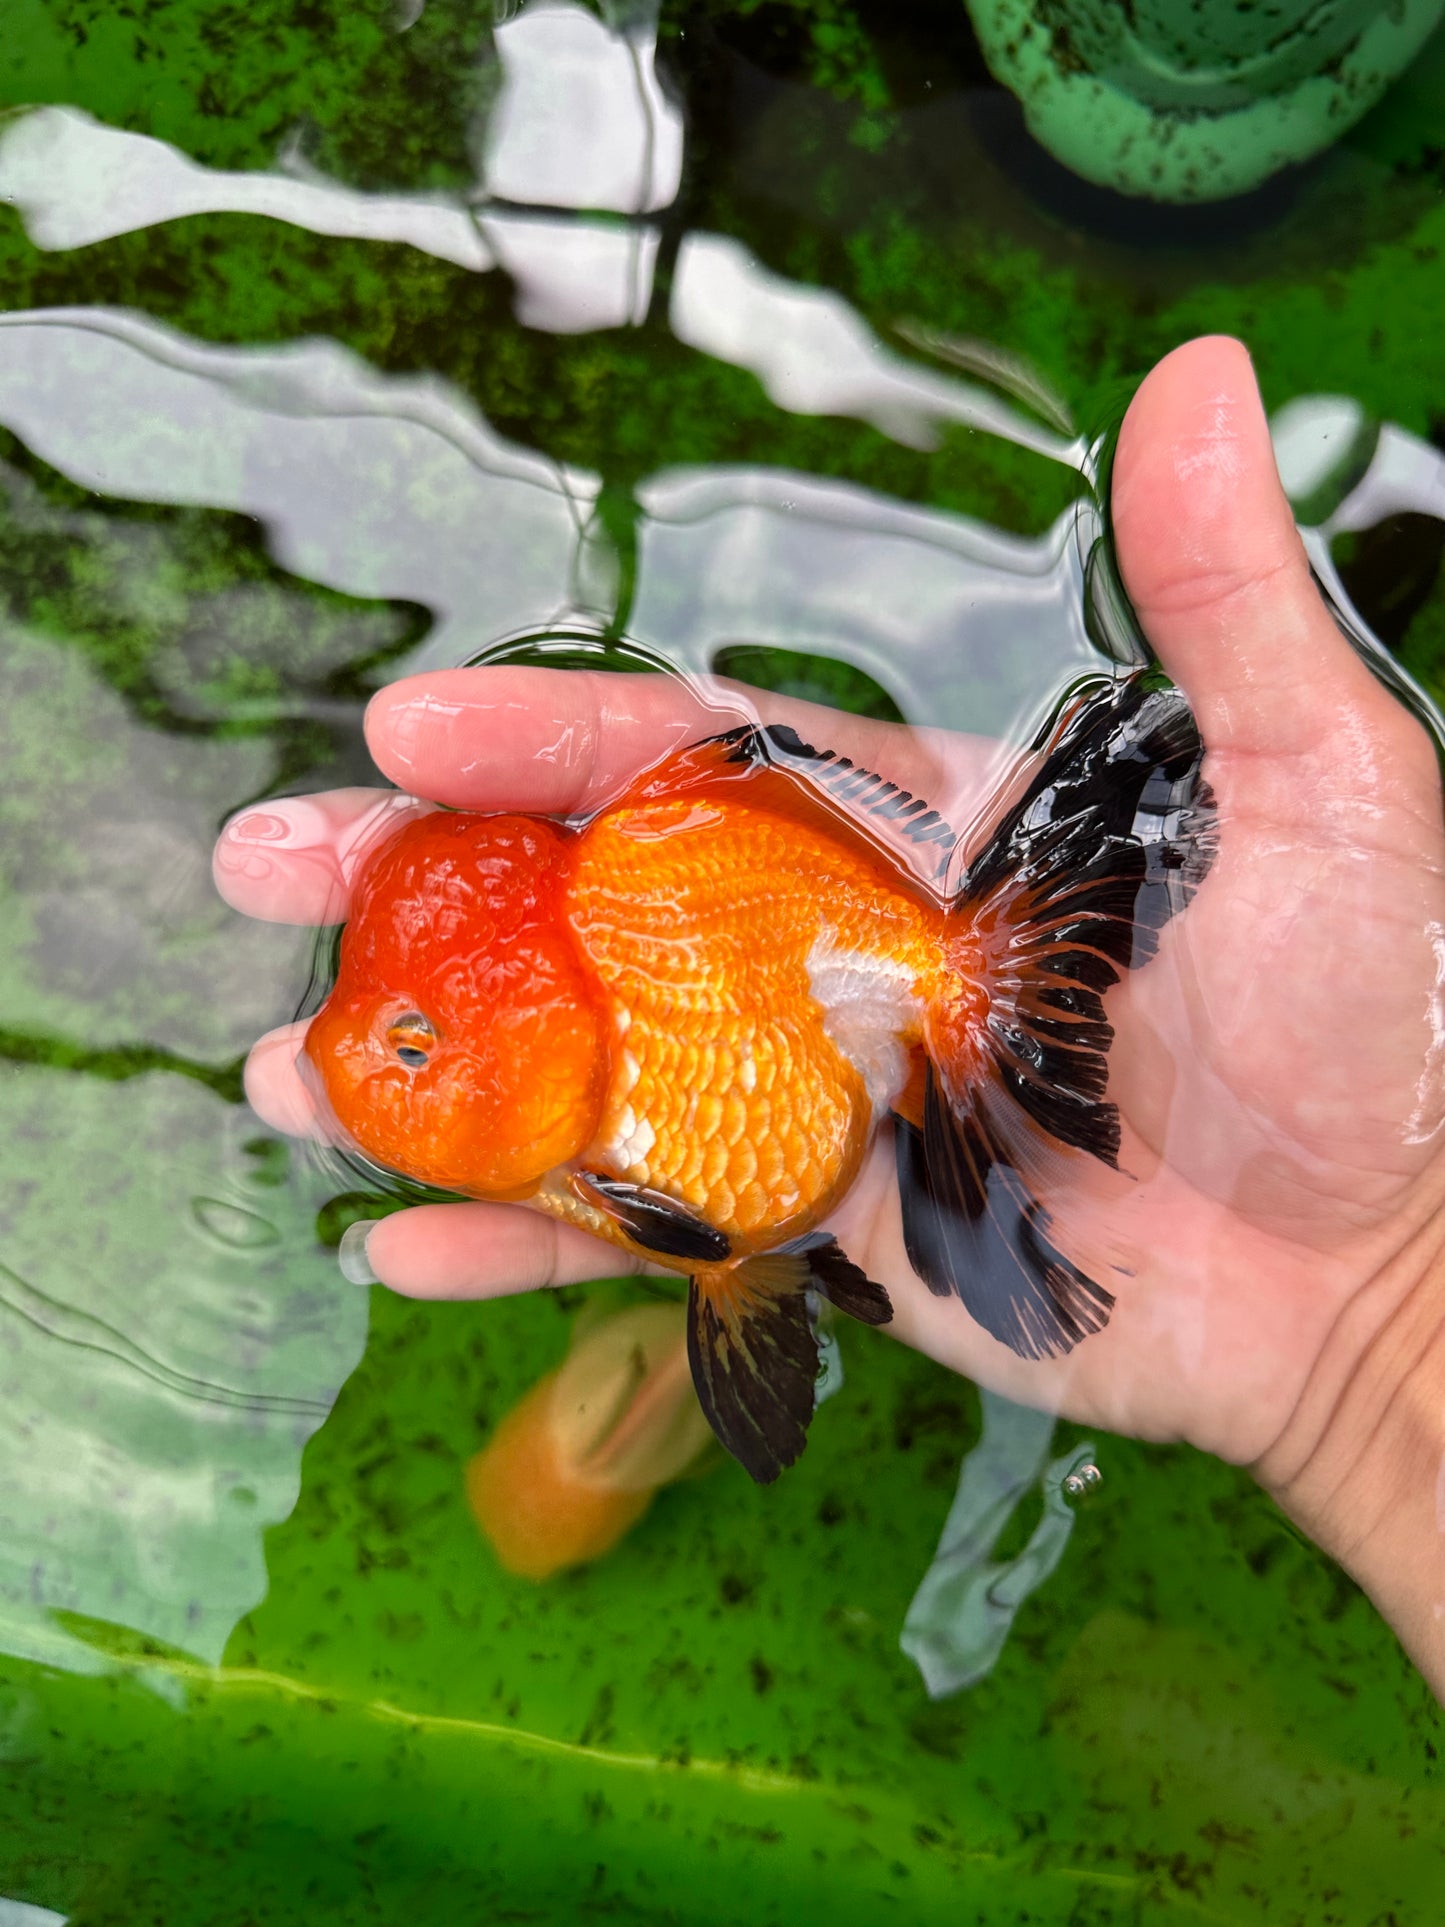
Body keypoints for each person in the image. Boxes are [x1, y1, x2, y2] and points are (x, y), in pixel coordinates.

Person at [214, 336, 1445, 1702]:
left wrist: (1398, 1297)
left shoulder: (642, 1007)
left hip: (853, 983)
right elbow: (713, 1244)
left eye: (410, 1049)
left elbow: (710, 1232)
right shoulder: (598, 1085)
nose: (364, 1063)